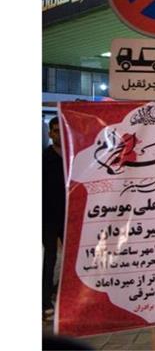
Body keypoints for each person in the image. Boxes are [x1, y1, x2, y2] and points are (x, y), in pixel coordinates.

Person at [42, 117, 66, 321]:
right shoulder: (43, 159)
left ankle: (63, 294)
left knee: (72, 258)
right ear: (50, 133)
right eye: (55, 131)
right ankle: (44, 302)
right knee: (50, 259)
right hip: (48, 218)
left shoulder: (72, 157)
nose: (59, 134)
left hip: (70, 217)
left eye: (62, 130)